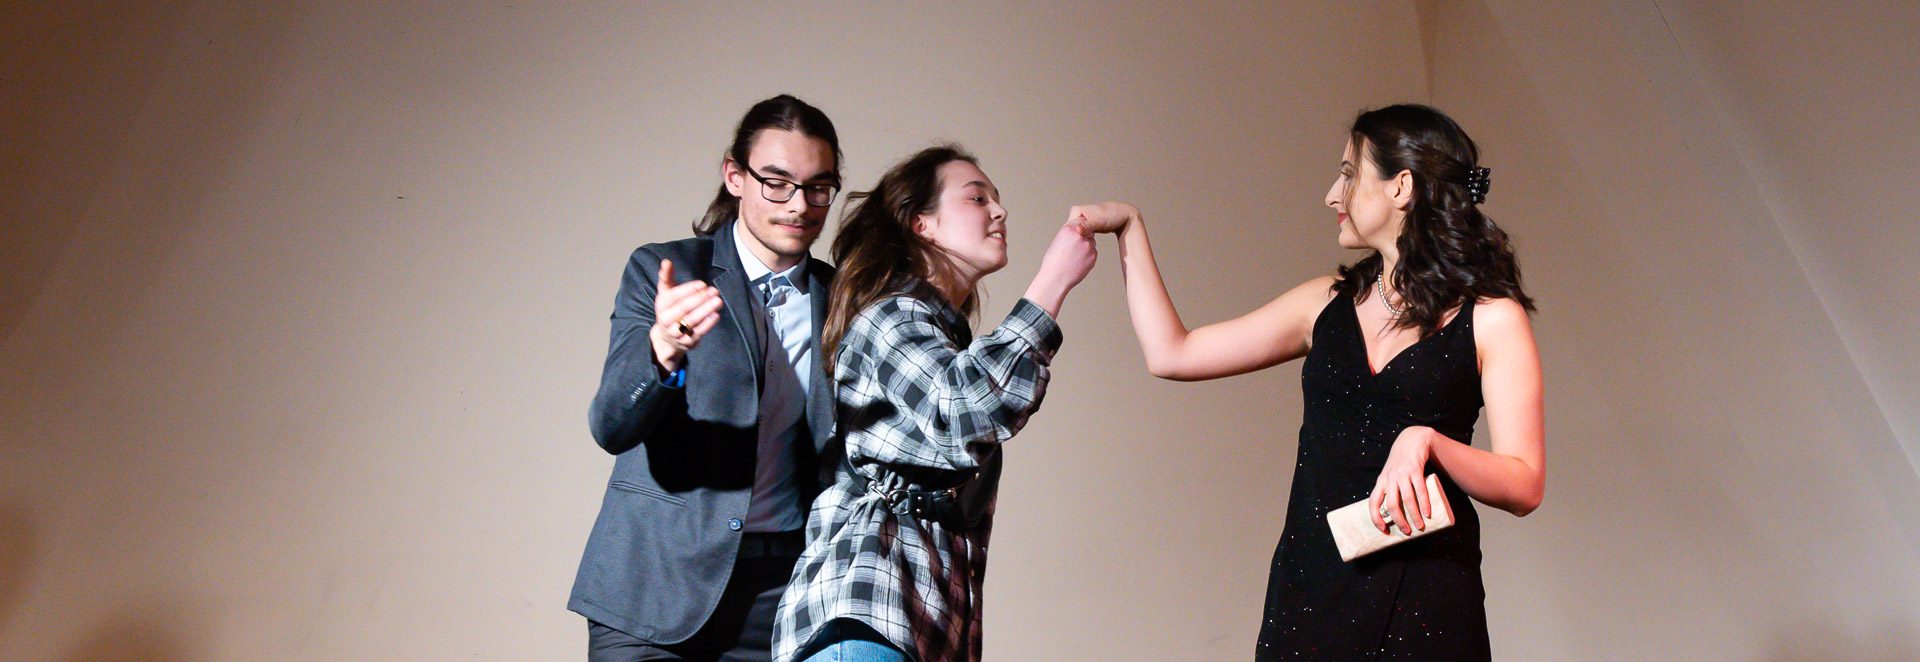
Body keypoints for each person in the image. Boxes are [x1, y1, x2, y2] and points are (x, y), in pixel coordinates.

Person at [1074, 104, 1545, 660]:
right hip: (1310, 596)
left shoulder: (1490, 318)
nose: (1330, 195)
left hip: (1426, 607)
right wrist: (1130, 228)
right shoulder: (1324, 303)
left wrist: (1428, 442)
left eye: (1348, 174)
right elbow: (1171, 352)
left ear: (1401, 186)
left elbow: (1524, 483)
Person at [771, 145, 1098, 662]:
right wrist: (1052, 282)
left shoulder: (937, 339)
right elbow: (965, 411)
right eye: (977, 198)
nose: (999, 211)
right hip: (867, 622)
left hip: (909, 631)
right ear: (921, 223)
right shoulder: (890, 318)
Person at [570, 94, 846, 661]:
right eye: (777, 183)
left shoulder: (843, 299)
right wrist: (664, 352)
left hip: (780, 595)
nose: (799, 205)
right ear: (735, 177)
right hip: (653, 585)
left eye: (818, 187)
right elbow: (611, 426)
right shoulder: (667, 271)